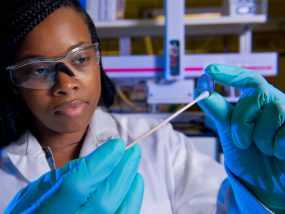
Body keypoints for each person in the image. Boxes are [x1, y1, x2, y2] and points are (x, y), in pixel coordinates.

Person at [0, 0, 285, 213]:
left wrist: (258, 199)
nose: (66, 83)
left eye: (80, 59)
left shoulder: (161, 145)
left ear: (98, 60)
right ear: (14, 81)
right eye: (39, 69)